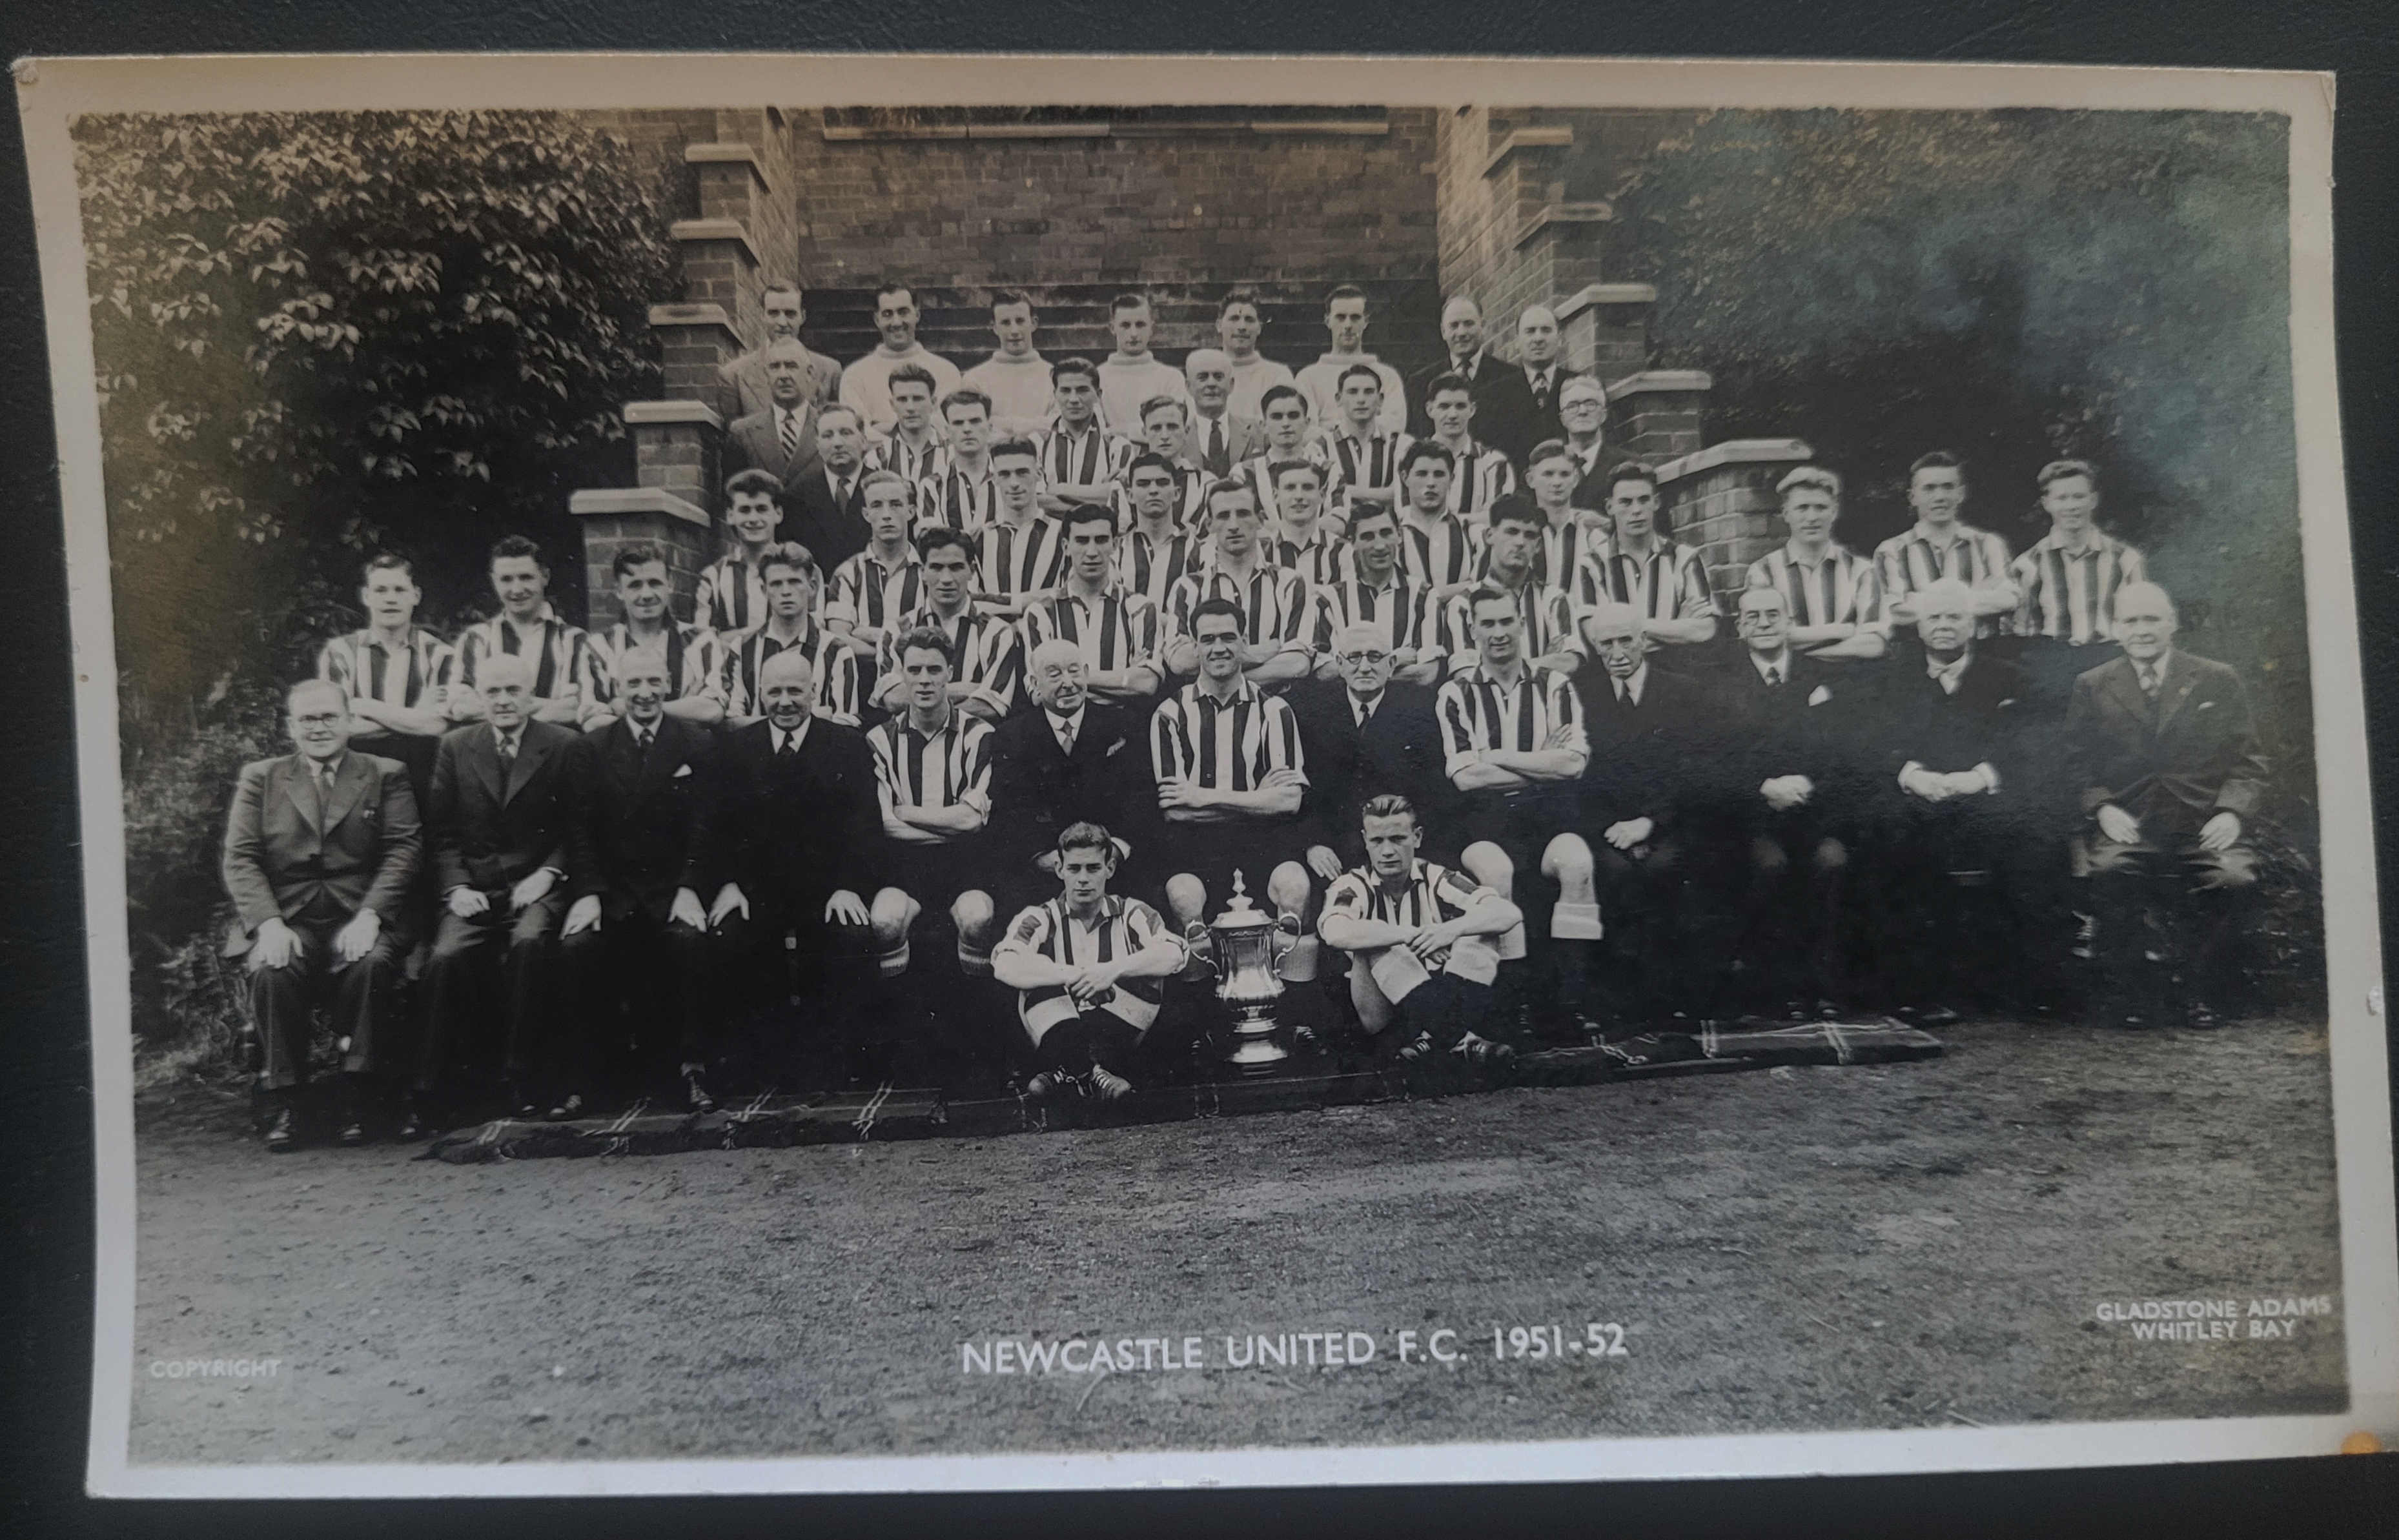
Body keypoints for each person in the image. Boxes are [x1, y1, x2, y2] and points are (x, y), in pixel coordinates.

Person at [221, 680, 422, 1150]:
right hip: (290, 917)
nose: (319, 728)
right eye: (307, 719)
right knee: (273, 970)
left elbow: (403, 850)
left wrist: (372, 915)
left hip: (358, 911)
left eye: (329, 717)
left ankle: (359, 1095)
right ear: (291, 727)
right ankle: (288, 1101)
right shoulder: (261, 777)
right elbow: (241, 857)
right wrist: (269, 924)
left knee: (369, 965)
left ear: (349, 720)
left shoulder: (385, 772)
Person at [2063, 582, 2269, 1027]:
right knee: (2113, 871)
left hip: (2201, 825)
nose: (2142, 630)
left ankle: (2200, 992)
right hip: (2129, 826)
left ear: (2172, 623)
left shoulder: (2217, 678)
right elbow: (2075, 764)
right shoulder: (2093, 685)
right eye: (2131, 621)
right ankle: (2135, 995)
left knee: (2232, 878)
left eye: (2152, 619)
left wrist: (2231, 811)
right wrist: (2102, 807)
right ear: (2115, 629)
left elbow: (2249, 761)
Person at [418, 654, 601, 1128]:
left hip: (539, 882)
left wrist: (550, 874)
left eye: (512, 691)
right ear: (480, 696)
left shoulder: (563, 745)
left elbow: (579, 825)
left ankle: (522, 1078)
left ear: (531, 695)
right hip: (475, 887)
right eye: (493, 692)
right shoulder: (456, 746)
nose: (503, 701)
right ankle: (436, 1089)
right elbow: (441, 834)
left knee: (529, 943)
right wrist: (456, 885)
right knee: (447, 955)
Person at [565, 647, 726, 1115]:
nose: (644, 693)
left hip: (672, 887)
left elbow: (707, 825)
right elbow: (579, 828)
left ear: (668, 686)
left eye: (653, 683)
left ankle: (693, 1070)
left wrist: (692, 886)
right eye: (633, 684)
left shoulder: (697, 743)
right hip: (614, 892)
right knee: (579, 948)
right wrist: (591, 893)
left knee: (690, 942)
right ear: (618, 691)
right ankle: (588, 1079)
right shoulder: (591, 747)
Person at [1871, 578, 2041, 1022]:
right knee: (1895, 839)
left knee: (2030, 835)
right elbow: (1871, 740)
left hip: (1983, 794)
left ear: (1975, 625)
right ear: (1920, 628)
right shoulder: (1891, 679)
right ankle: (1914, 988)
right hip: (1917, 794)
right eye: (1934, 618)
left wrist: (1980, 776)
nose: (1944, 626)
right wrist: (1910, 774)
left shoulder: (2011, 678)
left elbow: (2029, 745)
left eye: (1955, 617)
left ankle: (2010, 984)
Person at [711, 649, 883, 1086]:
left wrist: (849, 887)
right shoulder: (737, 748)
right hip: (759, 890)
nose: (785, 701)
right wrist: (730, 883)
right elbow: (722, 827)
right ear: (759, 694)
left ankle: (845, 1062)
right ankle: (757, 1063)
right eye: (775, 691)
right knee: (730, 935)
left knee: (851, 934)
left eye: (795, 691)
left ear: (815, 692)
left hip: (827, 889)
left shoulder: (846, 745)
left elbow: (864, 827)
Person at [1433, 584, 1601, 1029]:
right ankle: (1511, 1000)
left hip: (1549, 812)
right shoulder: (1456, 692)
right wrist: (1539, 760)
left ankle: (1569, 1003)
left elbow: (1572, 765)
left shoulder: (1556, 684)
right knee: (1497, 874)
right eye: (1487, 623)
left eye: (1507, 621)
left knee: (1579, 865)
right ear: (1473, 631)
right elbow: (1467, 778)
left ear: (1522, 624)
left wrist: (1497, 755)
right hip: (1484, 818)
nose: (1499, 632)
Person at [1715, 585, 1865, 1016]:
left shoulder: (1823, 678)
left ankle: (1823, 986)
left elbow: (1846, 755)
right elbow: (1709, 759)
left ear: (1789, 623)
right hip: (1752, 818)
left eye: (1773, 615)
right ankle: (1774, 988)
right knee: (1771, 867)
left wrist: (1808, 782)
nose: (1764, 623)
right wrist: (1762, 787)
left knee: (1832, 862)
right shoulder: (1720, 684)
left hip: (1814, 814)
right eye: (1754, 617)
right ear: (1740, 628)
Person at [865, 626, 1003, 1086]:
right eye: (914, 670)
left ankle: (978, 1052)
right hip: (903, 867)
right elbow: (883, 824)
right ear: (900, 676)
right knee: (885, 922)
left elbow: (973, 822)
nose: (924, 680)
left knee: (978, 919)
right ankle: (903, 1056)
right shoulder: (879, 740)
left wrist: (907, 811)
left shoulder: (980, 734)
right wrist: (939, 818)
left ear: (951, 674)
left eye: (933, 670)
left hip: (966, 866)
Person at [1149, 597, 1316, 979]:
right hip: (1197, 843)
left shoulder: (1276, 711)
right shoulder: (1169, 714)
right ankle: (1203, 1028)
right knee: (1184, 898)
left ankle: (1292, 1019)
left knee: (1295, 889)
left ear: (1244, 643)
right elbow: (1176, 808)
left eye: (1229, 637)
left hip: (1265, 840)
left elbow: (1290, 801)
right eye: (1208, 639)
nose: (1219, 648)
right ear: (1194, 646)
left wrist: (1204, 795)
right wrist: (1259, 797)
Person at [1572, 602, 1711, 1026]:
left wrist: (1651, 824)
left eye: (1625, 640)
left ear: (1645, 641)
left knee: (1665, 868)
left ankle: (1668, 997)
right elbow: (1581, 777)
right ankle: (1621, 999)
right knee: (1612, 872)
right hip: (1609, 828)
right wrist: (1613, 829)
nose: (1617, 652)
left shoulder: (1684, 691)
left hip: (1670, 821)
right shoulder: (1582, 697)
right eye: (1606, 643)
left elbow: (1692, 771)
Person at [1318, 795, 1522, 1069]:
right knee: (1373, 936)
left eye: (1398, 839)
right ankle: (1458, 1037)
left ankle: (1440, 1039)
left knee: (1479, 930)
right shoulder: (1352, 884)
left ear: (1417, 837)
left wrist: (1450, 930)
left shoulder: (1435, 876)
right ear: (1365, 841)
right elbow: (1334, 931)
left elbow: (1508, 913)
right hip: (1383, 1012)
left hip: (1441, 993)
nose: (1387, 851)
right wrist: (1412, 935)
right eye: (1378, 841)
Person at [991, 822, 1188, 1103]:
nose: (1083, 879)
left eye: (1093, 868)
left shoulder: (1132, 912)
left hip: (1119, 1032)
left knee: (1149, 970)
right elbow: (1005, 964)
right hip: (1058, 1028)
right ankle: (1095, 1074)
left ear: (1110, 868)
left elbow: (1174, 954)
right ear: (1060, 869)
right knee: (1035, 975)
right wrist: (1076, 975)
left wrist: (1110, 971)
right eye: (1074, 869)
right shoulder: (1039, 916)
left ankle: (1067, 1072)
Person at [988, 640, 1156, 913]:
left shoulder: (1123, 726)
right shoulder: (1012, 736)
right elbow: (1010, 811)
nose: (1068, 683)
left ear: (1087, 673)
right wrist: (1044, 858)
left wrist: (1114, 851)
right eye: (1054, 674)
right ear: (1035, 682)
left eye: (1074, 671)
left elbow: (1141, 797)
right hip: (1044, 870)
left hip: (1113, 867)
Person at [1295, 622, 1452, 881]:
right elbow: (1308, 793)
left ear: (1391, 665)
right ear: (1340, 664)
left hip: (1399, 848)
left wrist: (1411, 846)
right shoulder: (1314, 713)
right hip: (1335, 849)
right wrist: (1313, 844)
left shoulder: (1420, 709)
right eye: (1354, 657)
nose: (1365, 667)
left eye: (1375, 657)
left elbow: (1434, 793)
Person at [316, 552, 459, 800]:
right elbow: (335, 726)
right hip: (355, 782)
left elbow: (437, 725)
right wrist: (414, 716)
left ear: (416, 596)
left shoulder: (440, 655)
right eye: (381, 590)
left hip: (422, 782)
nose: (390, 599)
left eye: (400, 590)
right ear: (366, 596)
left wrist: (362, 705)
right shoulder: (340, 653)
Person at [2009, 458, 2147, 708]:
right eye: (2062, 499)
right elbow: (2022, 632)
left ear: (2093, 500)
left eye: (2078, 497)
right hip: (2054, 668)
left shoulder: (2126, 560)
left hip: (2112, 662)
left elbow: (2141, 624)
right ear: (2046, 503)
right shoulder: (2028, 565)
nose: (2071, 506)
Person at [1162, 481, 1314, 686]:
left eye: (1243, 514)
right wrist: (1264, 652)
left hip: (1273, 706)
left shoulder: (1289, 582)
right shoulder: (1188, 587)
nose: (1234, 526)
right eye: (1223, 516)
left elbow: (1297, 664)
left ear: (1260, 520)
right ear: (1210, 525)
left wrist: (1226, 682)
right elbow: (1180, 661)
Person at [1017, 503, 1165, 706]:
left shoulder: (1141, 608)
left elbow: (1147, 682)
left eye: (1101, 540)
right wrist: (1123, 679)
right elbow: (1039, 693)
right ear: (1066, 546)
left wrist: (1068, 678)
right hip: (1063, 728)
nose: (1092, 551)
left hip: (1121, 724)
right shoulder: (1041, 613)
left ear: (1115, 544)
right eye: (1082, 541)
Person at [873, 526, 1024, 722]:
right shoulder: (897, 631)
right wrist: (966, 689)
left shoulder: (997, 632)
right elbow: (893, 699)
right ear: (922, 572)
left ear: (972, 571)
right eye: (936, 568)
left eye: (956, 567)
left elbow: (991, 706)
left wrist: (923, 698)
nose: (946, 579)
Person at [452, 535, 603, 727]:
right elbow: (461, 706)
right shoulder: (476, 639)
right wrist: (541, 706)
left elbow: (576, 708)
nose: (517, 590)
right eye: (506, 580)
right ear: (494, 581)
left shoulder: (575, 641)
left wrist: (500, 710)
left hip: (552, 752)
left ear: (545, 577)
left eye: (526, 578)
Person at [1743, 465, 1890, 662]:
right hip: (1789, 683)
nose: (1812, 518)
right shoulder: (1763, 572)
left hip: (1850, 680)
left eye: (1821, 508)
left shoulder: (1862, 571)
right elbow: (1762, 638)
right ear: (1786, 514)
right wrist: (1844, 630)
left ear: (1834, 512)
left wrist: (1808, 656)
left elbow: (1874, 644)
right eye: (1802, 508)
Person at [1573, 462, 1719, 656]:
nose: (1636, 510)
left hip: (1678, 677)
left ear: (1656, 503)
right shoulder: (1593, 564)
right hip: (1620, 681)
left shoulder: (1684, 558)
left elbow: (1705, 630)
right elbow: (1597, 638)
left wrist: (1622, 629)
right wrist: (1675, 628)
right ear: (1610, 507)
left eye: (1644, 500)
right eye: (1626, 502)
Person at [713, 542, 864, 727]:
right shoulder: (743, 649)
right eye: (776, 584)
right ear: (764, 590)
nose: (786, 592)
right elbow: (732, 723)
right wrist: (813, 718)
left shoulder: (838, 652)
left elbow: (846, 726)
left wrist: (760, 723)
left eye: (794, 582)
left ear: (812, 587)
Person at [1873, 451, 2019, 631]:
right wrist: (1976, 597)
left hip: (1984, 651)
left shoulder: (1989, 544)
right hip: (1914, 652)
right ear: (1913, 498)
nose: (1940, 497)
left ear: (1961, 494)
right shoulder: (1892, 551)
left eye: (1948, 487)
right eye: (1929, 488)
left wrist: (1921, 601)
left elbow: (2010, 599)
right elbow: (1892, 611)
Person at [584, 543, 724, 730]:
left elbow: (713, 710)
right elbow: (591, 720)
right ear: (619, 591)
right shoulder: (600, 647)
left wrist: (626, 707)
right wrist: (684, 708)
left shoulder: (700, 642)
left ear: (670, 585)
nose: (647, 594)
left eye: (655, 583)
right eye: (635, 585)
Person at [1309, 500, 1445, 687]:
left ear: (1399, 535)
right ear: (1352, 542)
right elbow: (1323, 672)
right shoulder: (1329, 599)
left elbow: (1427, 673)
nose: (1380, 546)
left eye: (1386, 533)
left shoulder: (1424, 595)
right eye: (1368, 537)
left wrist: (1353, 668)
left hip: (1404, 707)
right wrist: (1395, 659)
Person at [1453, 494, 1582, 677]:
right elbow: (1465, 675)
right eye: (1512, 532)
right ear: (1489, 536)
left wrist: (1494, 667)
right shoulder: (1463, 604)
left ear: (1537, 546)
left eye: (1529, 535)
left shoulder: (1553, 598)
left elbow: (1569, 662)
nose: (1520, 542)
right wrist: (1542, 662)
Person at [823, 469, 926, 661]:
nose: (886, 515)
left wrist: (867, 633)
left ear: (911, 511)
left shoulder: (929, 571)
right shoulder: (848, 573)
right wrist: (889, 655)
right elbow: (839, 637)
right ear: (866, 514)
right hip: (863, 680)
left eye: (895, 505)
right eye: (877, 506)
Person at [839, 281, 962, 435]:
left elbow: (946, 427)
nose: (896, 322)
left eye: (903, 312)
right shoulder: (854, 375)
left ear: (917, 315)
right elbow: (857, 433)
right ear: (877, 320)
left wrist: (882, 428)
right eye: (888, 314)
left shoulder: (946, 371)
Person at [1295, 283, 1407, 437]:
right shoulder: (1308, 377)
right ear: (1328, 321)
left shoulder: (1387, 375)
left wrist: (1332, 427)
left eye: (1355, 318)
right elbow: (1305, 429)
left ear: (1365, 322)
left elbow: (1396, 424)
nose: (1348, 325)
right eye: (1341, 317)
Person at [719, 280, 841, 421]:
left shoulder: (829, 371)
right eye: (773, 313)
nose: (782, 323)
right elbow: (735, 437)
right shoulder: (734, 375)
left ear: (803, 316)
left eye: (790, 314)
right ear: (762, 316)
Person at [975, 436, 1068, 618]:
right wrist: (1030, 600)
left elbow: (1069, 594)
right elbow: (970, 600)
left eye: (1022, 472)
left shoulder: (1064, 533)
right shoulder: (981, 538)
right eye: (1005, 474)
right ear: (994, 479)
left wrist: (1000, 602)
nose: (1014, 483)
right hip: (993, 639)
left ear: (1039, 474)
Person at [697, 469, 798, 635]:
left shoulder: (802, 570)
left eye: (762, 509)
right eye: (745, 510)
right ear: (731, 516)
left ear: (778, 514)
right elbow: (703, 642)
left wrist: (733, 637)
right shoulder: (713, 577)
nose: (753, 519)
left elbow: (812, 635)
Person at [1477, 304, 1577, 467]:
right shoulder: (1493, 395)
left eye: (1546, 330)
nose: (1538, 338)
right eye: (1530, 331)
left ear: (1559, 339)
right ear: (1517, 341)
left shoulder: (1580, 388)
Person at [1391, 441, 1485, 606]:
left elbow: (1483, 586)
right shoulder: (1391, 536)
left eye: (1439, 474)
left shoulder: (1473, 534)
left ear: (1452, 479)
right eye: (1422, 474)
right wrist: (1462, 588)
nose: (1431, 483)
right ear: (1405, 478)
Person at [785, 403, 874, 578]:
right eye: (828, 436)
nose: (838, 443)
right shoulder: (797, 494)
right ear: (817, 445)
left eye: (846, 433)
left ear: (863, 440)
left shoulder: (883, 490)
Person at [725, 339, 826, 487]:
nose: (783, 375)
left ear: (809, 373)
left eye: (791, 366)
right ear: (766, 375)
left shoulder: (828, 427)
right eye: (775, 367)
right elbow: (733, 493)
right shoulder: (742, 432)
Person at [1316, 362, 1412, 520]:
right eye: (1353, 392)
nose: (1361, 400)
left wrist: (1346, 491)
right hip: (1338, 535)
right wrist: (1382, 495)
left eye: (1369, 392)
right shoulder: (1321, 447)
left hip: (1386, 534)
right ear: (1339, 399)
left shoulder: (1401, 444)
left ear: (1380, 400)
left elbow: (1403, 492)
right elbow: (1322, 499)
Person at [1408, 296, 1510, 440]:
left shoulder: (1508, 377)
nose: (1461, 333)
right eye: (1454, 325)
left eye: (1468, 324)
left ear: (1483, 326)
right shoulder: (1419, 383)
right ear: (1443, 332)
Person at [1420, 371, 1517, 522]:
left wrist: (1445, 524)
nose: (1452, 415)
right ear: (1430, 409)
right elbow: (1406, 514)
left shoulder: (1494, 462)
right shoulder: (1411, 459)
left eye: (1460, 406)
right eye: (1444, 407)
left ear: (1472, 410)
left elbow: (1498, 518)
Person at [1038, 357, 1130, 514]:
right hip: (1048, 535)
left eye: (1082, 390)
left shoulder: (1117, 447)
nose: (1074, 399)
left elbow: (1119, 498)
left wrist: (1058, 489)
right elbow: (1034, 500)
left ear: (1098, 395)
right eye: (1065, 391)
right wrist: (1096, 497)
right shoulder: (1038, 444)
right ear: (1055, 395)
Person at [959, 289, 1054, 437]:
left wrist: (1007, 426)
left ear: (1034, 323)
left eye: (1020, 321)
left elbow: (1057, 426)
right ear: (995, 327)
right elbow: (975, 429)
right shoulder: (974, 380)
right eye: (1005, 323)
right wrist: (1035, 426)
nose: (1014, 330)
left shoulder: (1054, 376)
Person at [1096, 292, 1192, 432]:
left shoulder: (1171, 377)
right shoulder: (1097, 377)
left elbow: (1174, 429)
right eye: (1125, 325)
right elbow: (1099, 432)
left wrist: (1117, 432)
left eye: (1140, 325)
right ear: (1112, 328)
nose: (1134, 333)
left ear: (1151, 328)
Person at [1120, 451, 1205, 609]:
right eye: (1143, 484)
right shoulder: (1116, 551)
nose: (1153, 490)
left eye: (1162, 483)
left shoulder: (1199, 551)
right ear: (1130, 496)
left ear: (1177, 493)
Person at [1517, 440, 1606, 589]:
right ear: (1530, 480)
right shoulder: (1520, 533)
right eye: (1548, 474)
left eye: (1564, 474)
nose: (1557, 482)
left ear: (1576, 479)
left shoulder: (1593, 532)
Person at [1230, 383, 1323, 527]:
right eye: (1277, 417)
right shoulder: (1244, 473)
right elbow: (1242, 523)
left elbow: (1337, 522)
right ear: (1264, 425)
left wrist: (1275, 527)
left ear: (1306, 423)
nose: (1286, 423)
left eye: (1293, 416)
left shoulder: (1326, 468)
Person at [917, 388, 1000, 534]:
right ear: (947, 431)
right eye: (958, 423)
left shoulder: (1010, 478)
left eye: (975, 421)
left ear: (990, 427)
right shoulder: (932, 486)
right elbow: (934, 542)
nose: (967, 429)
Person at [1261, 459, 1349, 587]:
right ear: (1276, 496)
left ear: (1322, 495)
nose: (1299, 496)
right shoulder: (1262, 553)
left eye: (1308, 488)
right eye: (1290, 488)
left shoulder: (1342, 551)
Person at [1183, 347, 1265, 477]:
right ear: (1189, 387)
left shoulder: (1256, 431)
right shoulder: (1180, 435)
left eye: (1218, 377)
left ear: (1231, 385)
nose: (1211, 384)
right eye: (1203, 377)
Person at [1214, 289, 1295, 420]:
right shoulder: (1206, 374)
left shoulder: (1277, 375)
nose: (1242, 327)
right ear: (1219, 325)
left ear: (1259, 328)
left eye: (1249, 320)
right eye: (1234, 319)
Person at [1131, 395, 1210, 529]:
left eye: (1172, 427)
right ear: (1145, 433)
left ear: (1186, 432)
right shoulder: (1126, 482)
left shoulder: (1204, 484)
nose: (1165, 436)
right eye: (1156, 428)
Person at [869, 363, 950, 489]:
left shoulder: (952, 454)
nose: (910, 408)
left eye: (918, 399)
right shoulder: (877, 458)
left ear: (934, 403)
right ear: (892, 404)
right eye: (902, 400)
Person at [1555, 376, 1611, 510]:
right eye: (1572, 406)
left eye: (1590, 404)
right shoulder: (1549, 468)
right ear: (1562, 419)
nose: (1582, 412)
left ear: (1604, 415)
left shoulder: (1626, 463)